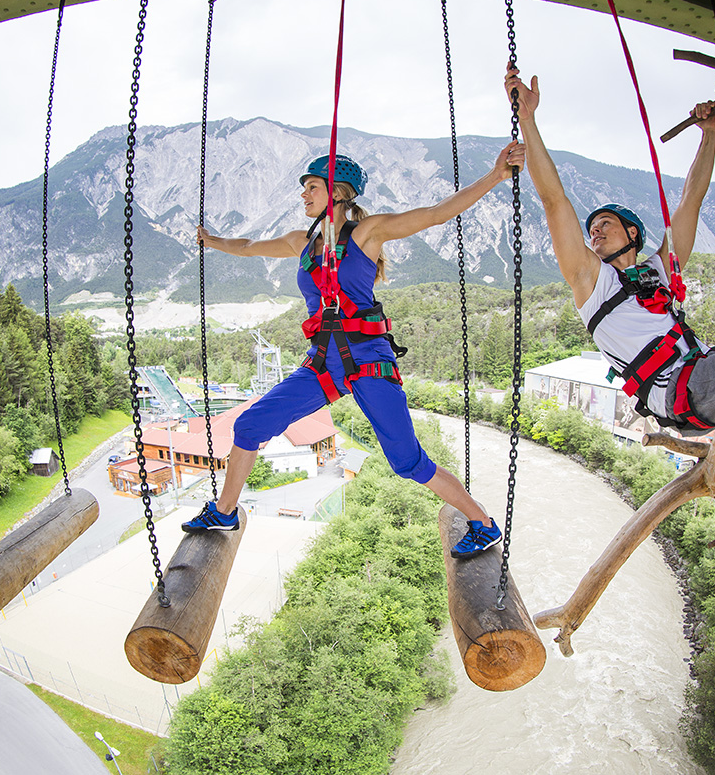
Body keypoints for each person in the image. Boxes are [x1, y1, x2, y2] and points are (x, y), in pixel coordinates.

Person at [505, 65, 715, 531]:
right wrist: (528, 119)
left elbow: (689, 203)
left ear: (632, 233)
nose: (594, 233)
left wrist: (710, 137)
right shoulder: (593, 286)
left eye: (606, 225)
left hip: (699, 367)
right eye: (592, 229)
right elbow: (555, 201)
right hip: (682, 389)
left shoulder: (657, 269)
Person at [180, 142, 526, 558]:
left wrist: (495, 176)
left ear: (338, 193)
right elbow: (250, 245)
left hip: (368, 361)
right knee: (250, 426)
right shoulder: (301, 243)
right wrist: (210, 241)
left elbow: (437, 214)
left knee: (407, 461)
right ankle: (225, 511)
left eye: (311, 186)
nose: (303, 195)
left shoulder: (367, 233)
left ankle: (483, 522)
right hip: (323, 364)